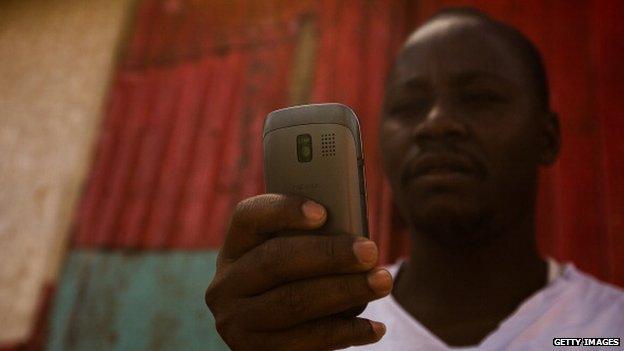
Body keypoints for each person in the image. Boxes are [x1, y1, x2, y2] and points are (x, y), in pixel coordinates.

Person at [205, 8, 624, 351]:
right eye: (409, 105)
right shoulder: (315, 331)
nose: (435, 124)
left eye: (481, 97)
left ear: (546, 138)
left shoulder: (606, 330)